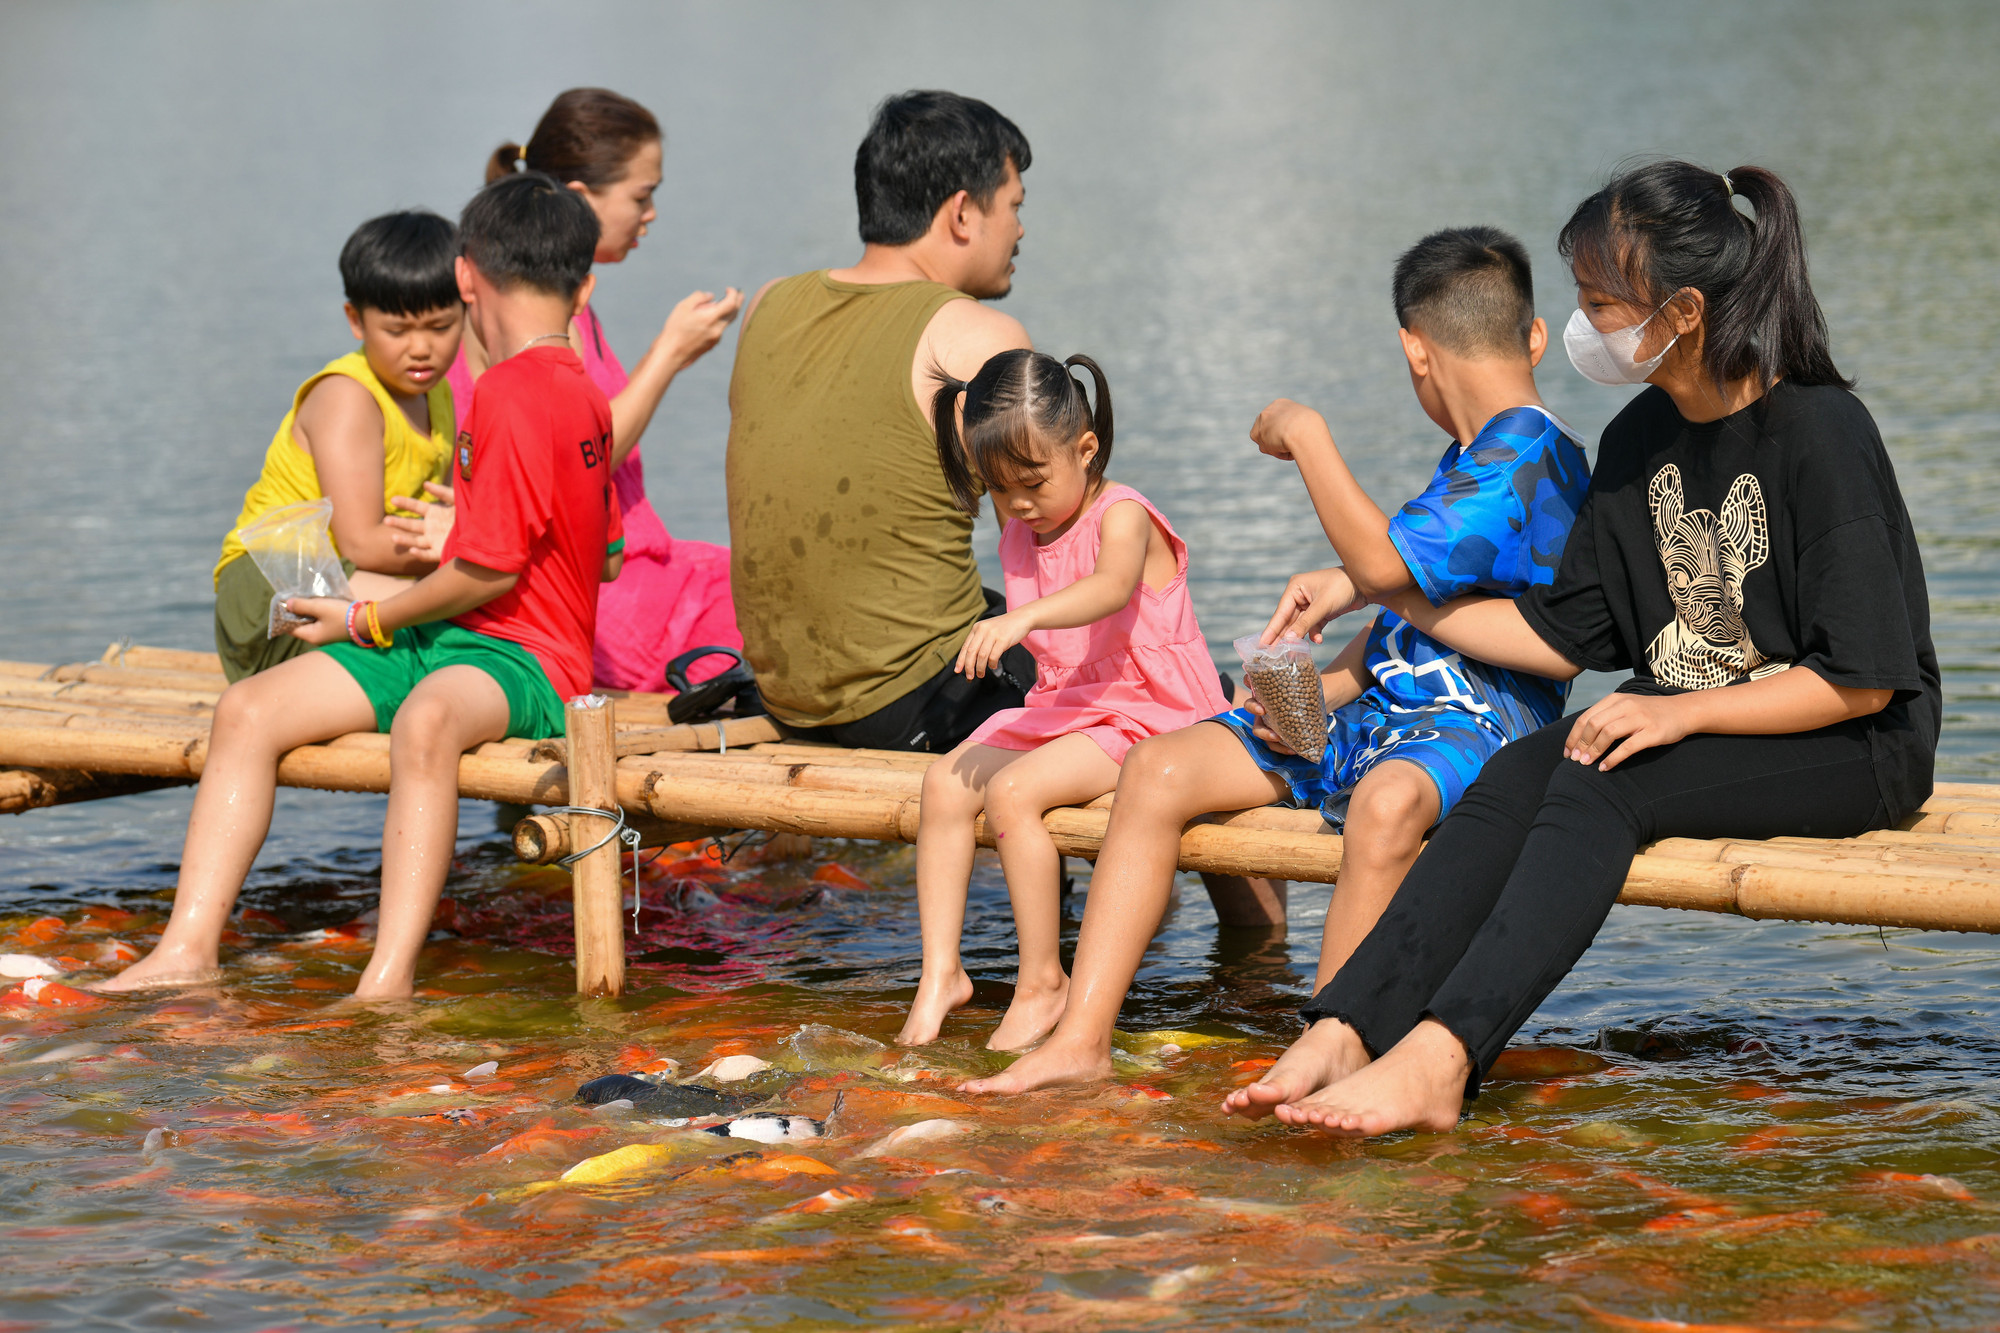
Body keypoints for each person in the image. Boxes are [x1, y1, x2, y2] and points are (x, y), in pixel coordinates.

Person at [1233, 161, 1939, 1137]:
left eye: (1600, 301)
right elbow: (1552, 635)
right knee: (1517, 772)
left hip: (1851, 740)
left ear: (1681, 311)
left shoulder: (1818, 431)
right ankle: (1348, 1024)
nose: (1581, 326)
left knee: (1600, 780)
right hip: (1706, 726)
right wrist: (1390, 591)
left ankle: (1441, 1058)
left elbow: (1860, 680)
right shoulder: (1636, 441)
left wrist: (1675, 709)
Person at [963, 228, 1590, 1094]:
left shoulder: (1534, 455)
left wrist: (1307, 432)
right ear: (1534, 334)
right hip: (1379, 709)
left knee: (1385, 800)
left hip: (1477, 724)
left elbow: (1380, 569)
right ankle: (1081, 1035)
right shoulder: (1474, 459)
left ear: (1414, 349)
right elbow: (1417, 617)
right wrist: (1310, 687)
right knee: (1159, 764)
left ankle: (1332, 1036)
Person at [101, 173, 625, 1000]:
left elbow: (490, 568)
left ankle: (387, 976)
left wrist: (367, 614)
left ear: (466, 279)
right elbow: (606, 555)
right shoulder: (586, 395)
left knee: (427, 720)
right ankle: (187, 946)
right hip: (451, 637)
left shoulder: (509, 392)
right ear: (585, 282)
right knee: (248, 709)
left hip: (526, 658)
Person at [897, 351, 1230, 1050]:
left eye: (1032, 482)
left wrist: (1020, 620)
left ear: (1086, 449)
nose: (1017, 505)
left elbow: (1110, 588)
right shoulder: (1024, 526)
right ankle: (940, 973)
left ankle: (1043, 977)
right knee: (943, 783)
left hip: (1149, 709)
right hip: (1073, 704)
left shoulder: (1124, 515)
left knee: (1014, 792)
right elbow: (1062, 648)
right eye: (998, 489)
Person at [725, 90, 1035, 754]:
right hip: (913, 698)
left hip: (788, 691)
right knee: (1168, 692)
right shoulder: (977, 337)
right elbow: (1050, 546)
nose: (1020, 230)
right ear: (961, 213)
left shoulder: (769, 306)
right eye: (1014, 206)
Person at [450, 87, 742, 691]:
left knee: (777, 574)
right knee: (765, 612)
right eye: (642, 195)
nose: (651, 213)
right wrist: (669, 355)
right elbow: (577, 463)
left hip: (633, 564)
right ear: (581, 200)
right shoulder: (531, 323)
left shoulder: (574, 305)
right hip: (595, 589)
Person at [212, 211, 463, 683]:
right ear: (355, 320)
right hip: (273, 582)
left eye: (440, 326)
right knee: (454, 621)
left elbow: (432, 524)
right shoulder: (348, 398)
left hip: (350, 581)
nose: (421, 349)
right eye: (397, 330)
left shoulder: (440, 393)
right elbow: (361, 542)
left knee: (465, 611)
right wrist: (469, 548)